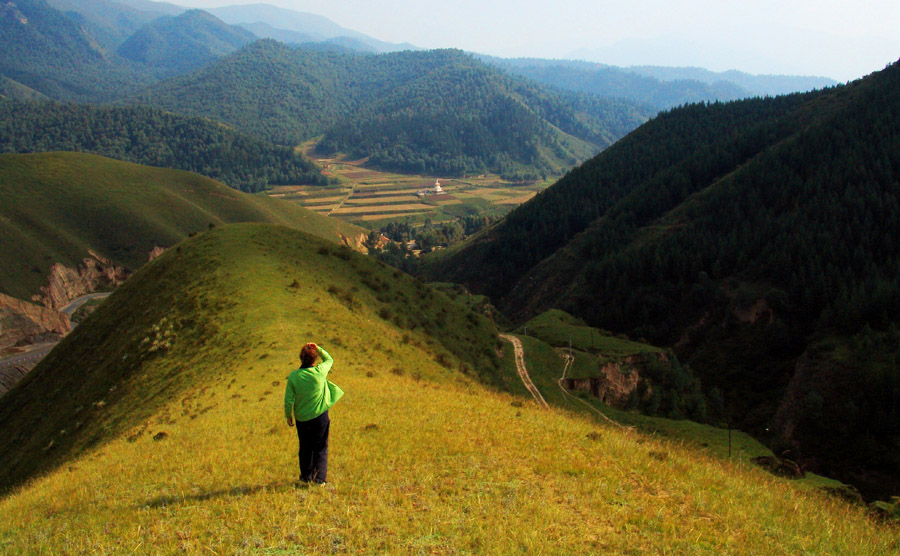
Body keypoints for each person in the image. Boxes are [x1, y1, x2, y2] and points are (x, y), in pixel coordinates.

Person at [284, 342, 344, 484]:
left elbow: (288, 399)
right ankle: (320, 479)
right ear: (314, 359)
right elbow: (329, 359)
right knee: (320, 447)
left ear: (301, 358)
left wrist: (288, 415)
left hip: (302, 418)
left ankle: (306, 477)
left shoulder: (294, 376)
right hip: (320, 416)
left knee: (305, 447)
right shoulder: (319, 372)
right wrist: (318, 348)